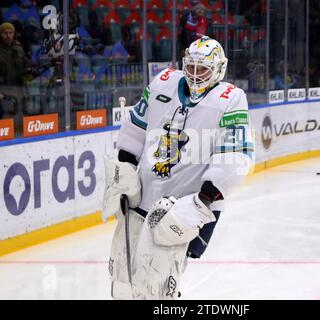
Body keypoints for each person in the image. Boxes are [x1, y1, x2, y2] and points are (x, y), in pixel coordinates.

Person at [103, 36, 254, 299]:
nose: (195, 75)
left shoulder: (230, 99)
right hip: (144, 195)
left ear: (218, 69)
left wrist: (202, 202)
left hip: (184, 208)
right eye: (191, 67)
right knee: (122, 280)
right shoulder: (164, 82)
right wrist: (125, 173)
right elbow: (136, 127)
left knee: (157, 286)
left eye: (203, 69)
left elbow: (235, 156)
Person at [0, 22, 34, 120]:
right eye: (5, 33)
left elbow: (27, 65)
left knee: (24, 118)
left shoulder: (18, 47)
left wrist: (33, 67)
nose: (8, 36)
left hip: (21, 90)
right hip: (5, 92)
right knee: (7, 119)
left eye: (11, 33)